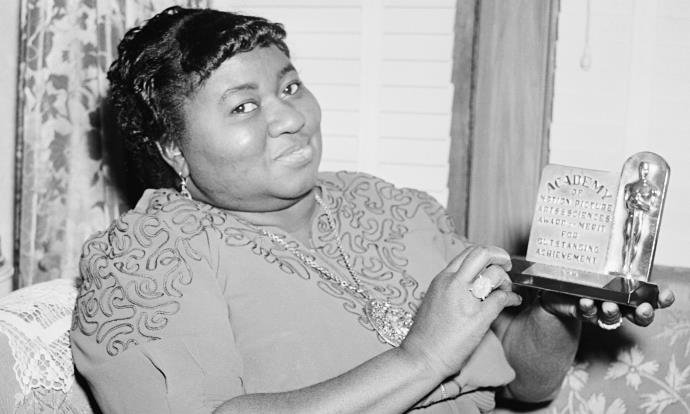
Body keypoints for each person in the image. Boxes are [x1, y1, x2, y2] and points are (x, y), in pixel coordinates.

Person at [70, 6, 674, 414]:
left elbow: (529, 383)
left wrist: (555, 311)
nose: (289, 117)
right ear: (173, 149)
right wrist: (421, 358)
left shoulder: (386, 205)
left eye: (289, 87)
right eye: (243, 107)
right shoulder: (147, 255)